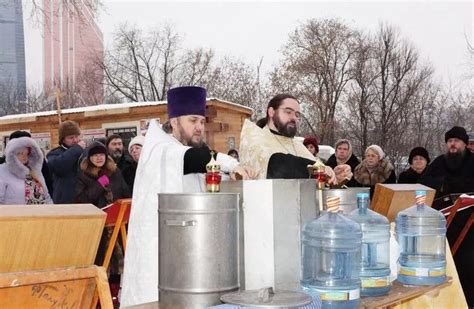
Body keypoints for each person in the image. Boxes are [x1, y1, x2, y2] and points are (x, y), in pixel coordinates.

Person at [121, 86, 256, 307]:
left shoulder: (181, 149)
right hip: (158, 247)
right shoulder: (161, 149)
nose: (199, 128)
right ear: (174, 122)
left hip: (186, 243)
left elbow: (199, 175)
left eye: (202, 122)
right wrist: (232, 163)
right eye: (193, 121)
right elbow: (195, 158)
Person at [239, 93, 337, 182]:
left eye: (297, 114)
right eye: (288, 112)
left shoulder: (297, 144)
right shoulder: (255, 137)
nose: (294, 117)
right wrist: (319, 170)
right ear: (271, 112)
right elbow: (277, 163)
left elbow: (316, 168)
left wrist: (334, 174)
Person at [421, 126, 474, 197]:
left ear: (465, 144)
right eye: (450, 141)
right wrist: (442, 184)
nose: (452, 144)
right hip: (442, 205)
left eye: (456, 140)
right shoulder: (439, 161)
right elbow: (423, 181)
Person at [75, 141, 131, 208]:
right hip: (96, 215)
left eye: (101, 154)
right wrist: (99, 184)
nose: (99, 158)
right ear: (90, 158)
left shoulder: (115, 171)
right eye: (95, 155)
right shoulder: (83, 175)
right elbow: (81, 200)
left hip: (116, 213)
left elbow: (125, 193)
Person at [0, 137, 52, 204]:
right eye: (20, 153)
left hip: (41, 213)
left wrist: (52, 211)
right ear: (11, 155)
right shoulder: (2, 171)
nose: (24, 157)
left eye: (26, 154)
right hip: (16, 213)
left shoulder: (34, 171)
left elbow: (46, 196)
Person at [47, 120, 86, 203]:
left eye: (77, 136)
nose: (75, 140)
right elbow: (60, 167)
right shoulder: (54, 154)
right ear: (63, 139)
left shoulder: (85, 152)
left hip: (84, 198)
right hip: (65, 201)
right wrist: (76, 149)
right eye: (71, 138)